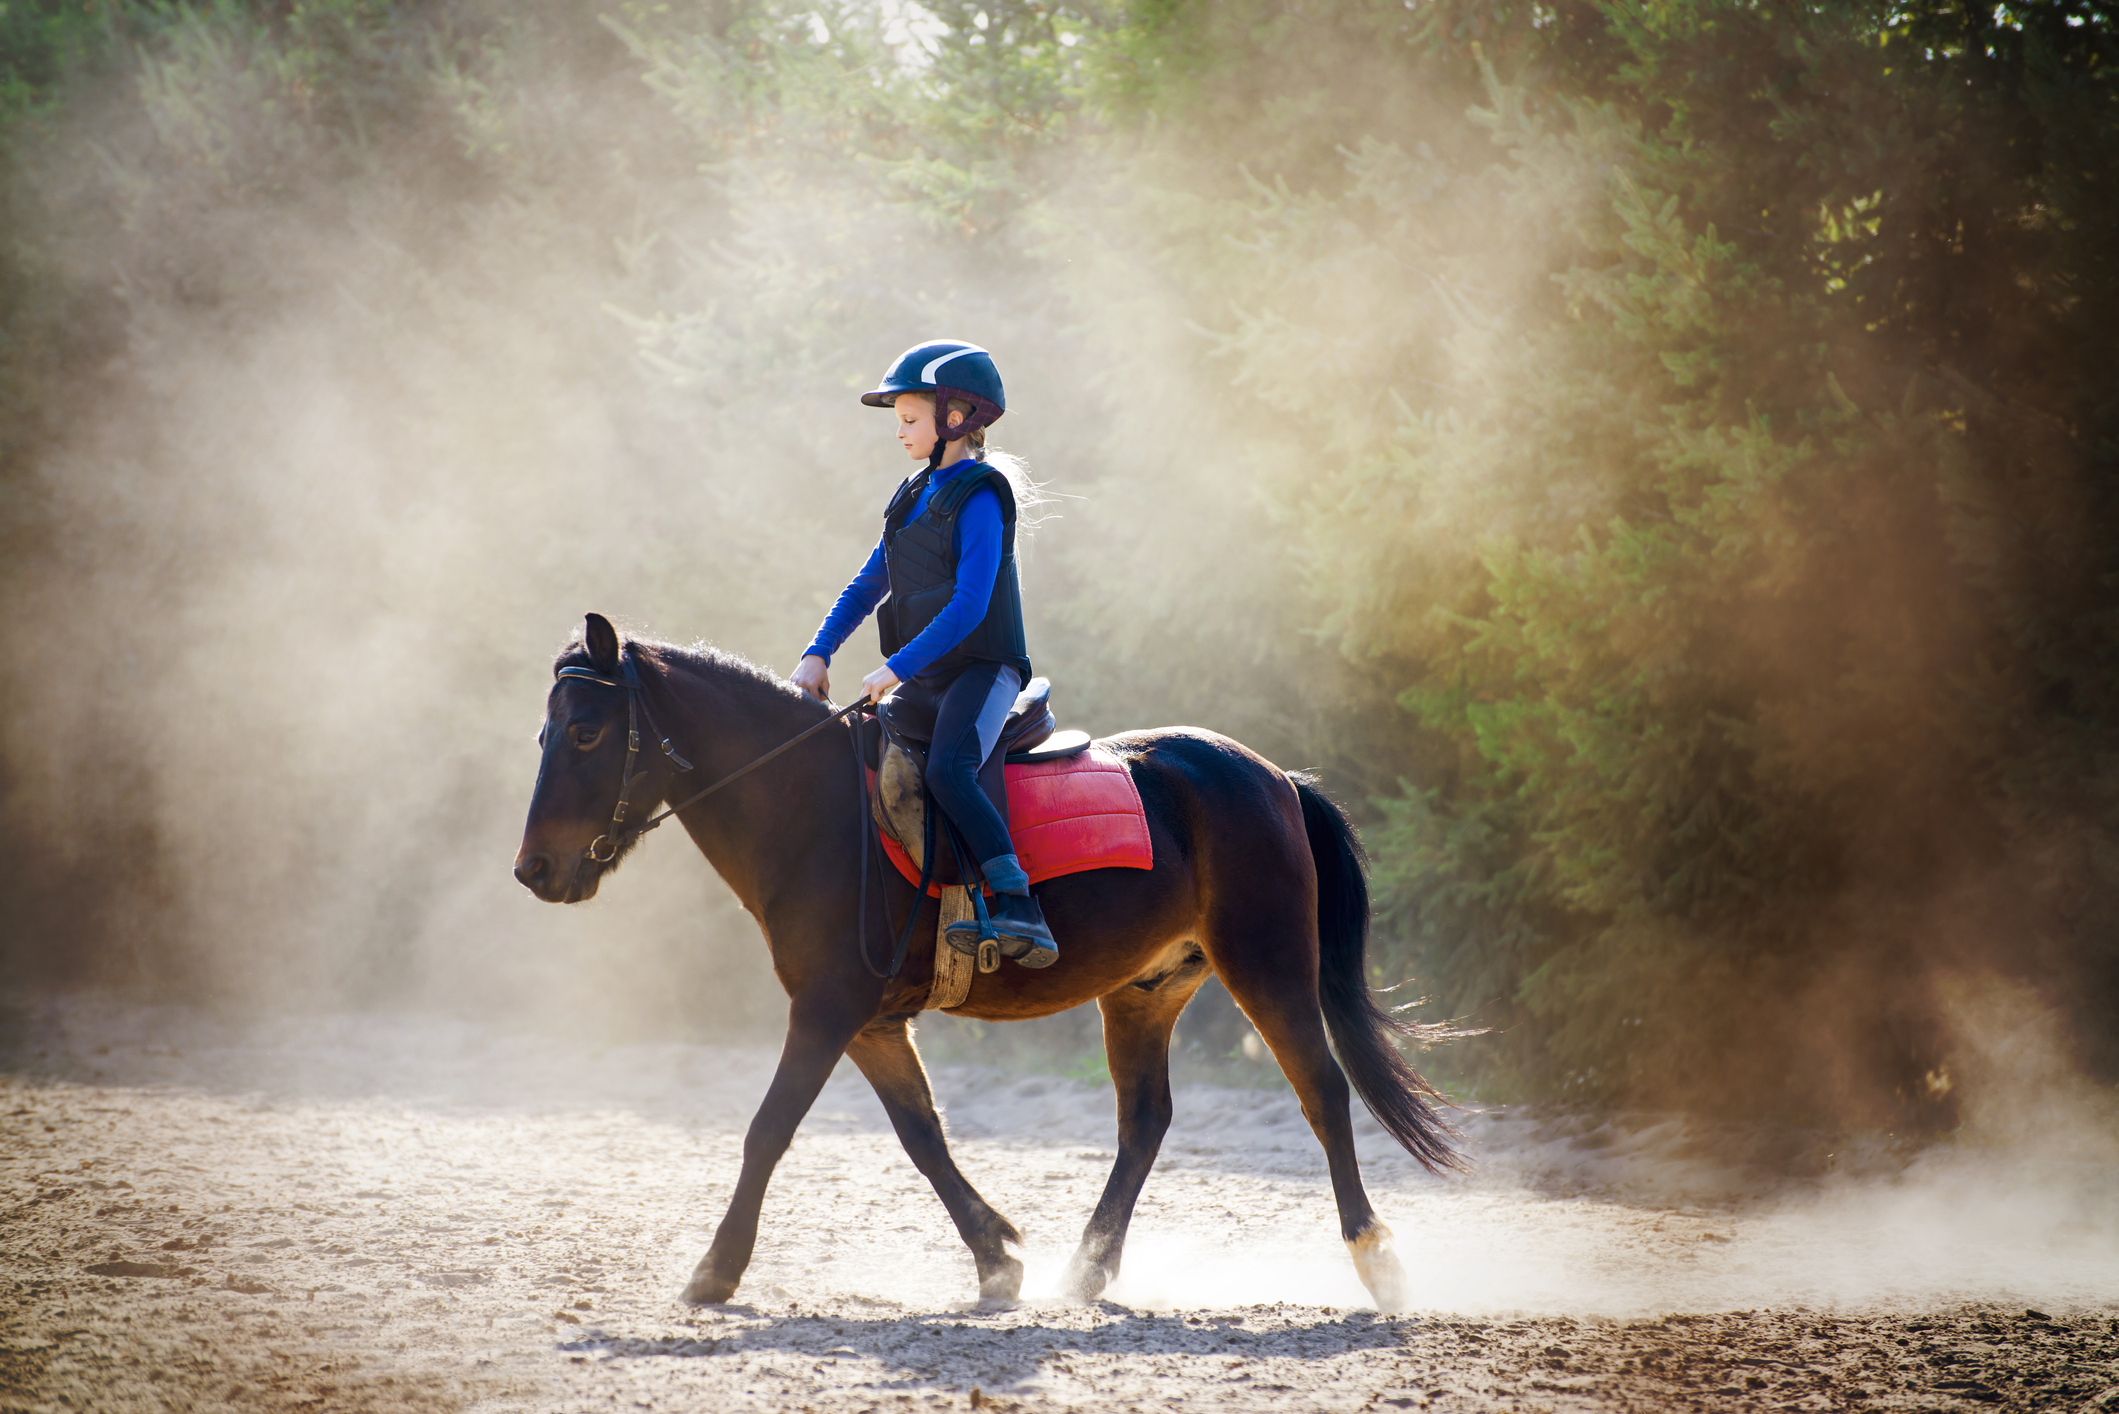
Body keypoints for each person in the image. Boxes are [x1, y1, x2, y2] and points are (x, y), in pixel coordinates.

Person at [791, 340, 1057, 969]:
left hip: (983, 670)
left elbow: (969, 606)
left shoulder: (981, 496)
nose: (901, 433)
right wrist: (816, 653)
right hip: (927, 674)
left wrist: (893, 668)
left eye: (910, 420)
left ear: (956, 419)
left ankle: (1019, 902)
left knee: (948, 770)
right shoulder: (909, 498)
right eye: (898, 423)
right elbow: (865, 586)